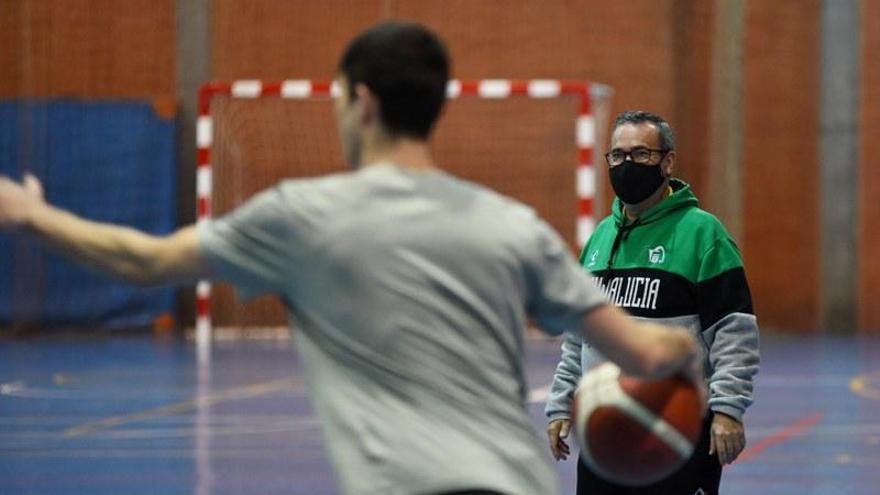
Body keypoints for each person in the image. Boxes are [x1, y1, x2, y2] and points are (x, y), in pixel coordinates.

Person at [0, 23, 702, 495]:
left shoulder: (300, 216)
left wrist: (33, 215)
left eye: (337, 99)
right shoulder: (512, 224)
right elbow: (647, 347)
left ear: (362, 102)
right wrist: (683, 355)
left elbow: (145, 260)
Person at [545, 110, 760, 495]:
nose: (627, 165)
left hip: (676, 428)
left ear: (667, 162)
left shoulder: (703, 233)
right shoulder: (600, 238)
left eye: (641, 155)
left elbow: (734, 332)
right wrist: (562, 404)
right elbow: (579, 337)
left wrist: (728, 409)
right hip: (605, 433)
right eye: (618, 155)